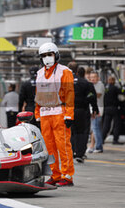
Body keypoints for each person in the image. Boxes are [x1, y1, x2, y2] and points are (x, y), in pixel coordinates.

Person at [35, 42, 75, 187]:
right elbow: (38, 95)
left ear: (56, 55)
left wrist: (69, 115)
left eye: (49, 54)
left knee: (63, 145)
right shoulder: (39, 73)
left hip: (60, 112)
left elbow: (70, 94)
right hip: (45, 114)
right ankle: (55, 174)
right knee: (49, 147)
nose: (47, 58)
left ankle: (67, 175)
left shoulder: (65, 71)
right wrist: (37, 113)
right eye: (44, 56)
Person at [67, 62, 98, 163]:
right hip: (82, 111)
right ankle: (80, 154)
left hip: (68, 111)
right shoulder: (86, 83)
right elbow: (92, 97)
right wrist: (94, 109)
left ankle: (72, 152)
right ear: (77, 70)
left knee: (71, 132)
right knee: (83, 132)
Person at [102, 76, 123, 145]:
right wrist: (122, 88)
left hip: (107, 109)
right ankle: (115, 140)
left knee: (106, 125)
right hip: (114, 108)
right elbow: (122, 92)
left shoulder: (106, 88)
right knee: (117, 124)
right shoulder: (115, 88)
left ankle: (102, 139)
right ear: (113, 81)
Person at [88, 71, 105, 153]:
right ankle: (92, 146)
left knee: (96, 128)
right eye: (91, 77)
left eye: (94, 77)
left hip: (98, 109)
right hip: (92, 109)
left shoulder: (100, 85)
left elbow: (98, 95)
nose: (92, 79)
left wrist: (88, 93)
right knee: (93, 129)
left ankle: (99, 147)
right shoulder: (92, 85)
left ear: (98, 78)